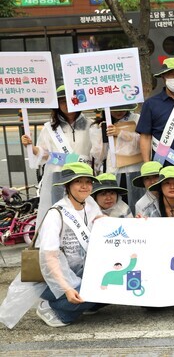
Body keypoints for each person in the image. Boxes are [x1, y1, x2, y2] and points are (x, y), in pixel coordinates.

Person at [35, 162, 102, 327]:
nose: (84, 186)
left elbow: (104, 225)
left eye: (88, 181)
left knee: (110, 290)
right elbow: (49, 258)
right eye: (78, 181)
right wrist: (66, 288)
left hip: (81, 272)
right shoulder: (56, 213)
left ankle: (78, 304)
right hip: (56, 278)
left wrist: (135, 224)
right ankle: (54, 308)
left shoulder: (91, 204)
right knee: (90, 297)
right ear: (68, 185)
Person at [21, 85, 92, 222]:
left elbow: (97, 154)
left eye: (70, 100)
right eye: (62, 101)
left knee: (84, 211)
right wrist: (31, 146)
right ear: (57, 104)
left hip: (83, 175)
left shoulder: (91, 125)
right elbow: (45, 154)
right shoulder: (49, 128)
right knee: (60, 212)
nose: (67, 104)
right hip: (59, 175)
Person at [89, 103, 143, 214]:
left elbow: (144, 142)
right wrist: (102, 136)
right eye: (114, 109)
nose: (119, 111)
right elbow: (99, 155)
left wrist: (120, 133)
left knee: (136, 205)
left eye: (123, 108)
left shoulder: (137, 119)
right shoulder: (98, 125)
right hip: (112, 171)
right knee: (114, 207)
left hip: (135, 170)